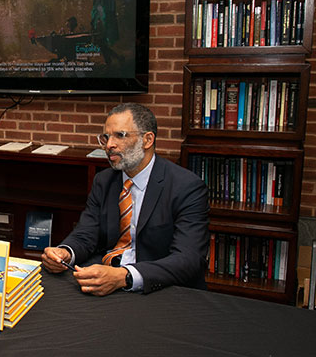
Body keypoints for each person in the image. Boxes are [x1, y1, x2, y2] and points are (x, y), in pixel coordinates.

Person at [42, 103, 209, 296]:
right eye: (106, 137)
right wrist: (66, 253)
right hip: (106, 278)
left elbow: (188, 259)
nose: (109, 145)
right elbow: (87, 233)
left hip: (159, 288)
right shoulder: (104, 180)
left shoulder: (186, 187)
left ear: (147, 140)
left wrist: (124, 276)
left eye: (120, 135)